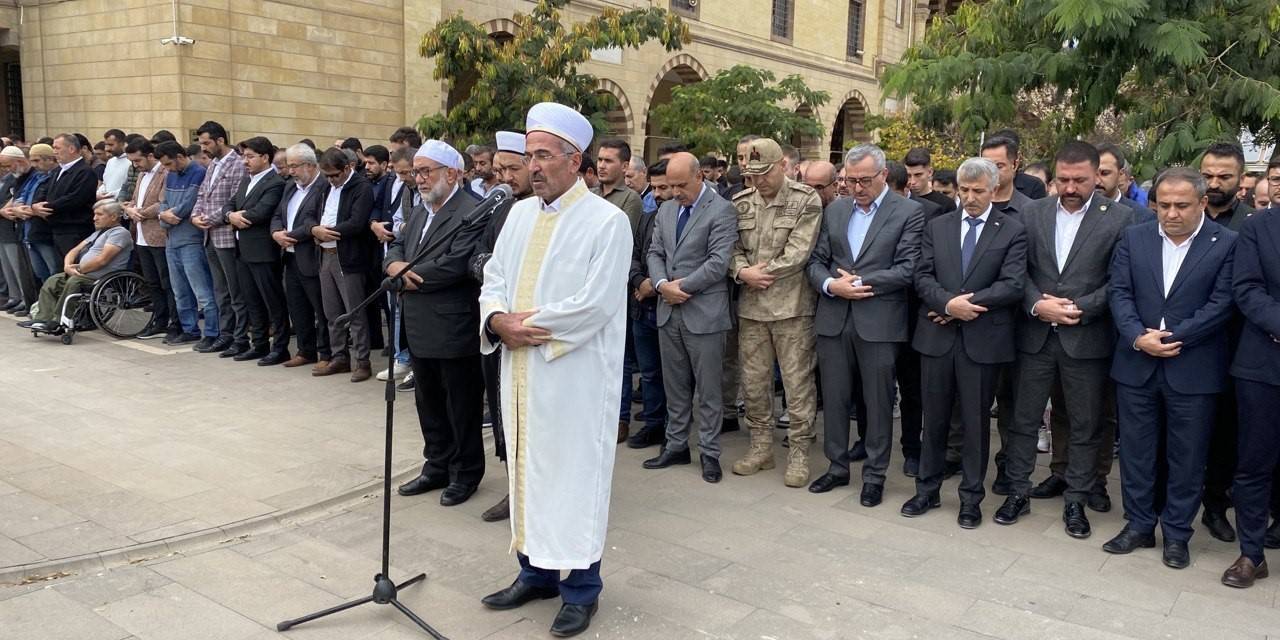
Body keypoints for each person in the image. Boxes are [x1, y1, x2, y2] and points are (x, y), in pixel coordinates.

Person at [477, 102, 631, 638]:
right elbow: (494, 275)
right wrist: (496, 318)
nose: (533, 166)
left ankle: (582, 589)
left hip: (573, 378)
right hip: (520, 372)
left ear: (575, 160)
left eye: (544, 156)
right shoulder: (518, 214)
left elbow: (596, 304)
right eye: (529, 155)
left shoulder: (607, 222)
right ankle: (535, 572)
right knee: (526, 470)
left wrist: (525, 328)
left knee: (572, 476)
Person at [994, 141, 1139, 538]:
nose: (1071, 187)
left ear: (1097, 177)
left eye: (1080, 180)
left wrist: (1079, 307)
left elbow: (1120, 281)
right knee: (1023, 419)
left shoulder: (1122, 219)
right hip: (1035, 333)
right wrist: (1038, 303)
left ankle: (1076, 498)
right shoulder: (1032, 212)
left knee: (1085, 423)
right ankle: (1017, 491)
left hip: (1086, 336)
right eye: (1063, 179)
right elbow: (1015, 270)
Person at [1104, 167, 1237, 569]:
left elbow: (1223, 301)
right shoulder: (1134, 237)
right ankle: (1139, 525)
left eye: (1181, 205)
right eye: (1164, 205)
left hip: (1193, 366)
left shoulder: (1227, 243)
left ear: (1201, 203)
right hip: (1136, 363)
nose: (1171, 213)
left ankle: (1177, 534)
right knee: (1136, 452)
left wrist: (1176, 336)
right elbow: (1119, 291)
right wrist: (1135, 336)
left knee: (1188, 456)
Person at [903, 157, 1027, 528]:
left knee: (975, 423)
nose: (970, 197)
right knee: (934, 418)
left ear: (994, 190)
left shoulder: (1012, 230)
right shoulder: (937, 226)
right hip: (937, 337)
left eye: (978, 191)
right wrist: (946, 303)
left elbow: (1013, 284)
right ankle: (926, 489)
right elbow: (921, 275)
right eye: (965, 190)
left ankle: (971, 498)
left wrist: (963, 306)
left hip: (982, 340)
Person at [806, 143, 924, 505]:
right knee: (836, 399)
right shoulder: (836, 210)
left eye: (865, 181)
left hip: (880, 321)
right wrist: (830, 284)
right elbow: (816, 261)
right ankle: (837, 467)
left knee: (877, 401)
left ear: (884, 175)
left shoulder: (908, 212)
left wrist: (857, 283)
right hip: (834, 318)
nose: (857, 188)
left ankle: (875, 475)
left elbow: (908, 268)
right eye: (850, 180)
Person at [386, 139, 486, 506]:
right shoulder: (418, 209)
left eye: (426, 171)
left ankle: (465, 472)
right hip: (417, 323)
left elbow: (456, 264)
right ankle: (437, 465)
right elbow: (396, 246)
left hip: (453, 325)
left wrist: (403, 274)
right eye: (416, 172)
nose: (419, 179)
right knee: (428, 402)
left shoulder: (471, 211)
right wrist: (394, 266)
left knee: (460, 405)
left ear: (453, 173)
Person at [726, 138, 824, 488]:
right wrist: (741, 272)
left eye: (764, 173)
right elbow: (731, 247)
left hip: (792, 308)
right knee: (754, 383)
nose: (758, 181)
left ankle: (799, 451)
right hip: (752, 309)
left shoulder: (805, 200)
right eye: (752, 175)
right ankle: (761, 447)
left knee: (798, 385)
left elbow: (800, 251)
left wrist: (760, 273)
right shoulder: (740, 203)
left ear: (782, 165)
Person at [641, 152, 737, 483]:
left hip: (704, 312)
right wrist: (661, 284)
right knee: (675, 385)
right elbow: (655, 252)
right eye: (671, 185)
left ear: (700, 177)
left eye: (681, 185)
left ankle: (710, 452)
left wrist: (682, 287)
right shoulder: (667, 209)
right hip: (670, 312)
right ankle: (676, 445)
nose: (675, 191)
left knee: (708, 390)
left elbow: (718, 261)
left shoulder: (722, 210)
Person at [1195, 141, 1257, 542]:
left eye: (1224, 177)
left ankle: (1215, 507)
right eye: (1208, 175)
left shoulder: (1252, 224)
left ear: (1241, 182)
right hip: (1177, 343)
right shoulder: (1178, 214)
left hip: (1231, 348)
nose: (1214, 183)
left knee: (1223, 435)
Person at [469, 130, 532, 522]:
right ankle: (514, 489)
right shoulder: (499, 207)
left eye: (512, 168)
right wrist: (489, 271)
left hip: (532, 328)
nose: (504, 177)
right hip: (497, 321)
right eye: (498, 169)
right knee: (504, 410)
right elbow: (475, 255)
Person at [1221, 183, 1280, 588]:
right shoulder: (1260, 226)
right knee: (1254, 463)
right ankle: (1252, 554)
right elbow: (1246, 287)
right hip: (1264, 364)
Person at [308, 147, 375, 382]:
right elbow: (310, 214)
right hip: (324, 254)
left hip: (347, 257)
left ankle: (363, 361)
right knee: (331, 312)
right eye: (327, 175)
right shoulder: (326, 187)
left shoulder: (361, 187)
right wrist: (314, 229)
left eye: (335, 175)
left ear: (347, 168)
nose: (331, 180)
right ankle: (339, 357)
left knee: (354, 312)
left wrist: (328, 232)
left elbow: (357, 223)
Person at [18, 200, 133, 332]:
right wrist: (67, 266)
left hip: (102, 277)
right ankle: (43, 318)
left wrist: (78, 269)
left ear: (113, 216)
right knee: (53, 281)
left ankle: (58, 321)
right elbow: (74, 250)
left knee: (74, 282)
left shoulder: (119, 233)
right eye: (94, 214)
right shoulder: (97, 233)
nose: (94, 218)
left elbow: (102, 260)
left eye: (99, 214)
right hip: (83, 273)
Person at [224, 136, 289, 365]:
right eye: (244, 156)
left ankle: (280, 347)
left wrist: (236, 216)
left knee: (273, 302)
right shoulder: (246, 181)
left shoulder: (274, 183)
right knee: (252, 301)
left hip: (263, 251)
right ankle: (259, 344)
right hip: (243, 250)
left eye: (250, 156)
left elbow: (262, 212)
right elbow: (229, 205)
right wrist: (230, 215)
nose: (245, 161)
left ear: (265, 157)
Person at [189, 121, 249, 355]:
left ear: (220, 140)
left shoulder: (237, 164)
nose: (203, 148)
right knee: (220, 290)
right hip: (209, 235)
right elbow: (202, 193)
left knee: (235, 291)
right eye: (201, 143)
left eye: (206, 143)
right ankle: (225, 334)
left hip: (226, 236)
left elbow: (234, 199)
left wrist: (209, 218)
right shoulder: (213, 164)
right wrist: (195, 216)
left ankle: (240, 337)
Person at [270, 143, 331, 371]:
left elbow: (313, 222)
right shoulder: (290, 187)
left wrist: (290, 236)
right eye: (289, 166)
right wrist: (276, 233)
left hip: (311, 255)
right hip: (290, 256)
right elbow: (277, 214)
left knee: (321, 309)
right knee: (297, 306)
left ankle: (326, 352)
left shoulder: (324, 187)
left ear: (309, 165)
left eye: (294, 166)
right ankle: (306, 350)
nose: (290, 171)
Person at [626, 158, 669, 450]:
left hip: (670, 305)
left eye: (664, 187)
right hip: (643, 309)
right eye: (654, 188)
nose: (658, 194)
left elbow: (685, 262)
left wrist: (653, 286)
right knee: (650, 372)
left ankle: (674, 430)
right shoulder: (649, 217)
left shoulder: (689, 219)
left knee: (674, 375)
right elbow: (633, 253)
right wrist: (639, 279)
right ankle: (653, 425)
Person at [155, 141, 216, 347]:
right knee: (180, 290)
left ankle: (212, 332)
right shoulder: (171, 174)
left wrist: (173, 215)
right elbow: (163, 201)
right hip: (172, 239)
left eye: (169, 164)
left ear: (180, 157)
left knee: (202, 291)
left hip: (191, 240)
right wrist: (164, 216)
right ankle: (189, 329)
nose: (167, 168)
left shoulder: (198, 172)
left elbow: (191, 202)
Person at [121, 138, 178, 341]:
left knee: (167, 282)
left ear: (150, 156)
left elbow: (163, 202)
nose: (135, 165)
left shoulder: (165, 173)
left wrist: (141, 213)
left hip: (158, 235)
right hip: (141, 235)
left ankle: (174, 321)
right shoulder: (141, 176)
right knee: (152, 282)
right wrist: (129, 209)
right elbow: (134, 200)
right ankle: (159, 320)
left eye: (138, 160)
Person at [31, 133, 97, 262]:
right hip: (57, 228)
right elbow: (44, 190)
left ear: (71, 149)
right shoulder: (57, 171)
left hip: (75, 230)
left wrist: (47, 208)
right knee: (61, 271)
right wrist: (35, 205)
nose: (54, 151)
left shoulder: (85, 172)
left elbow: (75, 198)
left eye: (57, 148)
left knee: (74, 266)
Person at [903, 148, 957, 214]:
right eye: (908, 175)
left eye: (918, 175)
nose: (913, 181)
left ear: (930, 172)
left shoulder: (946, 204)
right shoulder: (901, 200)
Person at [98, 129, 131, 199]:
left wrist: (109, 195)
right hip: (105, 202)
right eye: (106, 145)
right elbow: (105, 183)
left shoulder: (131, 162)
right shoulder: (110, 161)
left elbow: (130, 186)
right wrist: (99, 193)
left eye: (111, 145)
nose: (107, 149)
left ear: (122, 144)